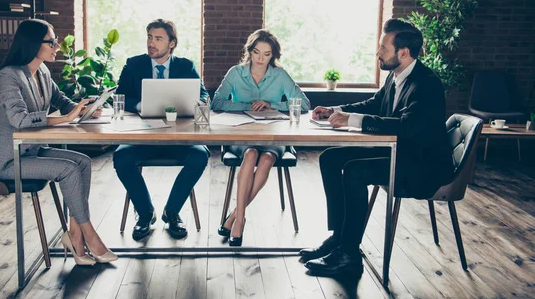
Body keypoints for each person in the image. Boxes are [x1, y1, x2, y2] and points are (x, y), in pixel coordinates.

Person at [301, 18, 453, 277]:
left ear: (403, 53)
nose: (378, 53)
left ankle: (349, 256)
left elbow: (407, 127)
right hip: (398, 155)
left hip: (421, 168)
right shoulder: (396, 78)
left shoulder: (426, 84)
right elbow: (373, 104)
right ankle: (339, 238)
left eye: (383, 48)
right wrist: (335, 111)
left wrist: (352, 121)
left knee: (354, 171)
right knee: (330, 158)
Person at [0, 19, 117, 266]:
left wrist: (83, 109)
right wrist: (66, 119)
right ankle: (89, 236)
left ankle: (74, 235)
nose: (57, 46)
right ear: (34, 44)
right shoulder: (8, 76)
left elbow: (61, 100)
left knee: (82, 162)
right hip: (8, 160)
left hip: (31, 150)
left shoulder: (43, 72)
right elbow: (19, 119)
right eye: (52, 42)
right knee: (68, 169)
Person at [113, 18, 210, 240]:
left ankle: (172, 212)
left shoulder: (186, 66)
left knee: (199, 155)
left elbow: (203, 94)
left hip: (178, 139)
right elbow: (120, 97)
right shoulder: (133, 64)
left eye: (158, 39)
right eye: (149, 37)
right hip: (143, 138)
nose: (151, 43)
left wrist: (199, 103)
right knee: (122, 157)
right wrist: (141, 105)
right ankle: (145, 214)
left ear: (171, 43)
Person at [212, 28, 310, 246]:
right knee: (250, 154)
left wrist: (272, 105)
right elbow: (216, 102)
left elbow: (304, 104)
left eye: (267, 55)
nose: (261, 59)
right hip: (242, 133)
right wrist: (248, 106)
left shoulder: (280, 75)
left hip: (272, 134)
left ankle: (235, 216)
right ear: (250, 51)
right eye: (257, 52)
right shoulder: (236, 73)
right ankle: (240, 221)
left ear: (273, 56)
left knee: (266, 158)